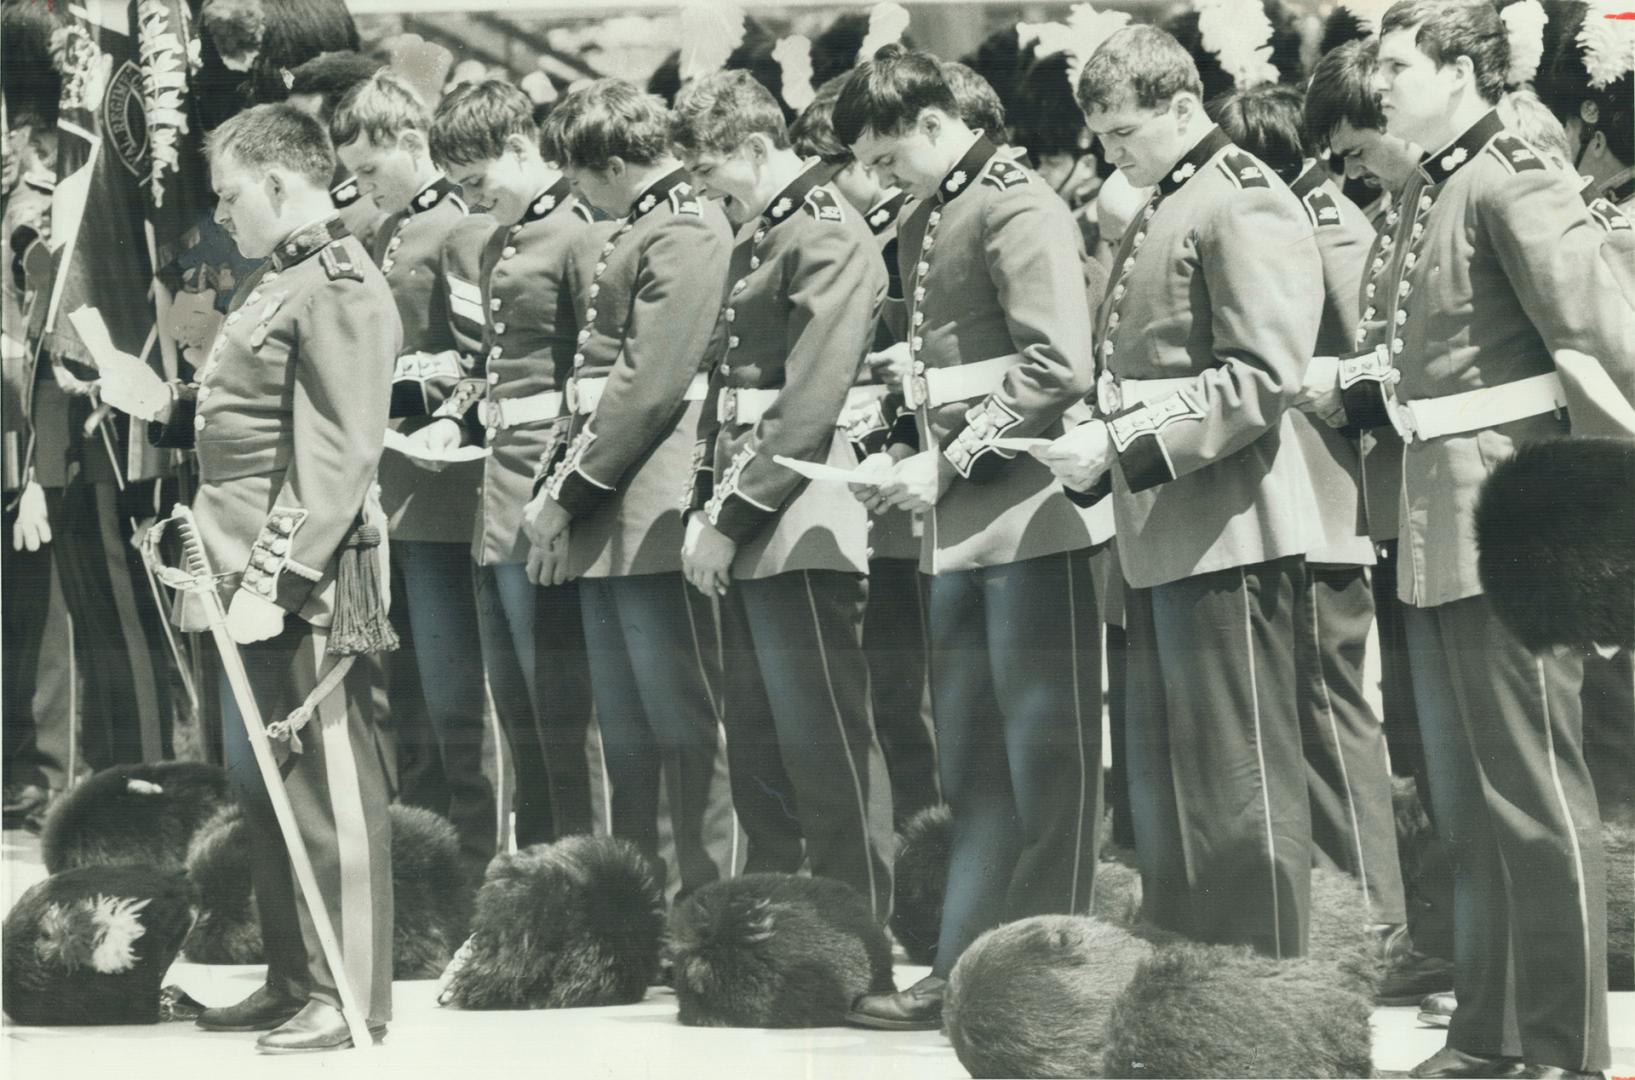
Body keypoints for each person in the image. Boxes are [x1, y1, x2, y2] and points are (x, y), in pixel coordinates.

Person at [1363, 4, 1632, 1075]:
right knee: (1471, 803)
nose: (1377, 82)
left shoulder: (1511, 172)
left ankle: (1565, 1048)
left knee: (1534, 798)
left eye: (1396, 63)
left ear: (1463, 67)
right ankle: (1492, 1034)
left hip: (1515, 520)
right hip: (1438, 514)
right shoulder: (1434, 184)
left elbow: (1606, 343)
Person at [1040, 25, 1323, 961]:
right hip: (1162, 523)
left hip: (1223, 526)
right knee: (1170, 777)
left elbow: (1257, 376)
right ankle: (1193, 976)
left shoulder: (1239, 200)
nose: (1109, 155)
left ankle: (1267, 983)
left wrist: (1119, 445)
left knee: (1236, 776)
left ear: (1180, 107)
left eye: (1123, 133)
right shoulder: (1172, 197)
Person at [835, 45, 1102, 1029]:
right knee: (975, 764)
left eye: (887, 155)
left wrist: (944, 464)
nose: (880, 177)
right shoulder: (937, 210)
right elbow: (936, 367)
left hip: (1032, 518)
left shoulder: (1016, 202)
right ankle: (965, 966)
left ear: (936, 124)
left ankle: (1050, 979)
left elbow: (1054, 362)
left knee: (1047, 766)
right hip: (962, 526)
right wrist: (900, 443)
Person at [140, 104, 399, 1052]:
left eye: (231, 196)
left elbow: (335, 451)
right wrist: (162, 408)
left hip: (301, 579)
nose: (223, 216)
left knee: (328, 798)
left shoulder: (335, 282)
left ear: (281, 184)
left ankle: (348, 989)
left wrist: (278, 579)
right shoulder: (279, 280)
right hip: (234, 566)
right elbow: (246, 414)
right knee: (267, 792)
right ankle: (294, 975)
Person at [670, 70, 895, 917]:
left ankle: (859, 928)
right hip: (755, 509)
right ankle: (789, 927)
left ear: (757, 149)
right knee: (763, 741)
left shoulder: (824, 234)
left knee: (824, 743)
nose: (700, 190)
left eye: (706, 171)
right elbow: (726, 391)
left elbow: (809, 403)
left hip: (802, 514)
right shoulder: (764, 234)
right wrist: (707, 506)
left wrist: (726, 517)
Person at [1210, 79, 1409, 952]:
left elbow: (1371, 354)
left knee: (1333, 717)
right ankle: (1344, 911)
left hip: (1323, 503)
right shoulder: (1294, 210)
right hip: (1284, 503)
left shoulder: (1325, 220)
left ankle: (1379, 918)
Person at [525, 79, 732, 898]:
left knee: (686, 726)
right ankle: (642, 903)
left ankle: (704, 903)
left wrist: (567, 493)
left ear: (612, 164)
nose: (575, 192)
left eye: (580, 175)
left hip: (651, 497)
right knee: (630, 729)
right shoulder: (642, 226)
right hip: (614, 503)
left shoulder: (683, 229)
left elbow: (647, 384)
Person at [1300, 33, 1459, 1010]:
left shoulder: (1429, 203)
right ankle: (1441, 937)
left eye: (1357, 147)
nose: (1352, 170)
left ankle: (1450, 940)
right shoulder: (1399, 207)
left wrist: (1344, 390)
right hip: (1400, 505)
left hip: (1443, 501)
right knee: (1420, 746)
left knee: (1457, 754)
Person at [421, 80, 600, 850]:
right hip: (498, 494)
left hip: (549, 493)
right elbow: (487, 370)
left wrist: (566, 502)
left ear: (522, 149)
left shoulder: (579, 231)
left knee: (568, 714)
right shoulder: (497, 240)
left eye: (477, 182)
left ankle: (590, 874)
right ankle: (539, 874)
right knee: (519, 707)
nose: (470, 200)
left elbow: (595, 382)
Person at [329, 70, 496, 874]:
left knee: (456, 691)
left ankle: (468, 860)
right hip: (397, 489)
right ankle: (426, 856)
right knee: (415, 696)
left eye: (369, 170)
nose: (361, 188)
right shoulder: (392, 231)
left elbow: (472, 363)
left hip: (445, 485)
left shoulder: (454, 227)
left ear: (409, 141)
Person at [789, 75, 940, 824]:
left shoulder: (909, 232)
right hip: (860, 491)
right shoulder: (861, 236)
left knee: (909, 701)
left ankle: (924, 855)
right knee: (878, 695)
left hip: (904, 491)